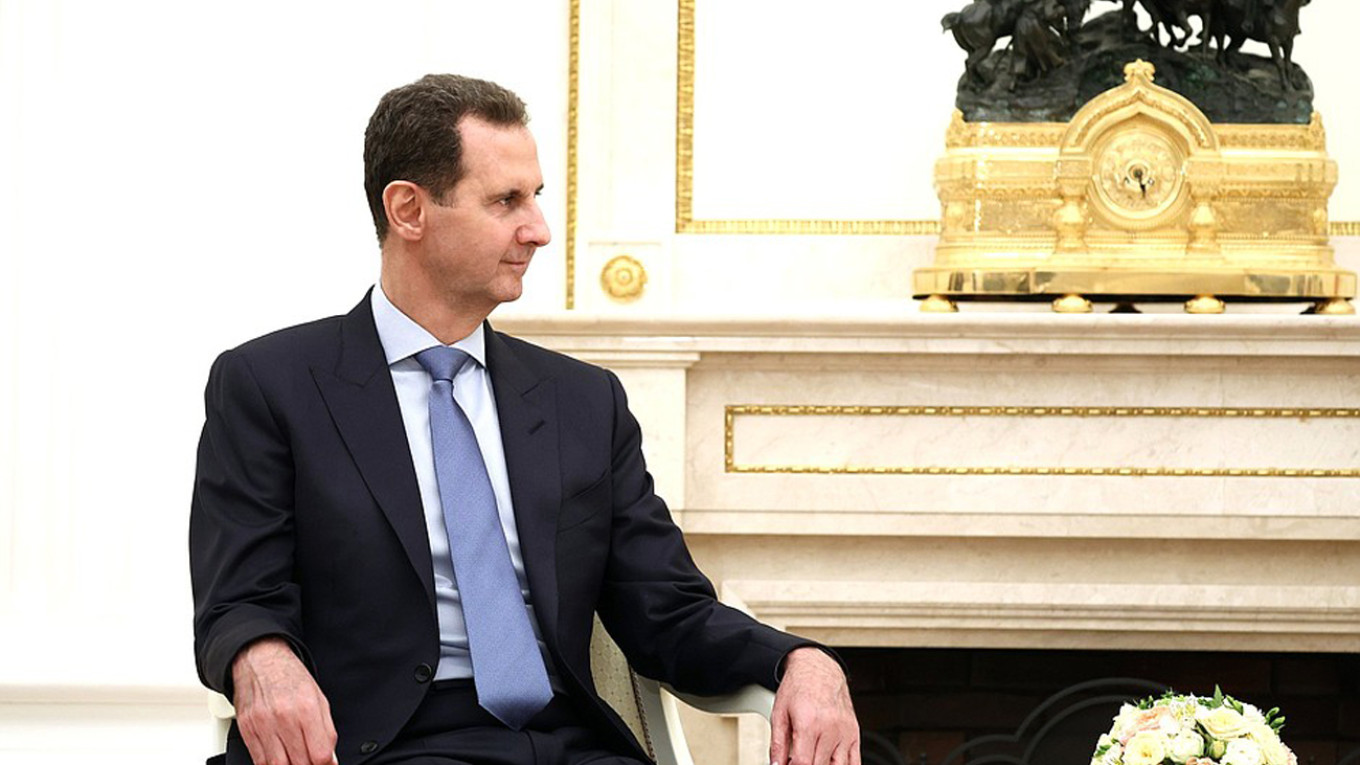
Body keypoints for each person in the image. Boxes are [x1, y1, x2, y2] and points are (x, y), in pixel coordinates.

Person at [189, 73, 860, 765]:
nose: (538, 230)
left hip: (571, 744)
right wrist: (263, 658)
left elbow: (668, 609)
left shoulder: (583, 401)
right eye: (507, 201)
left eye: (536, 197)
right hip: (382, 745)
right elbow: (239, 596)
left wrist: (800, 660)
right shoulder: (270, 386)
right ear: (408, 210)